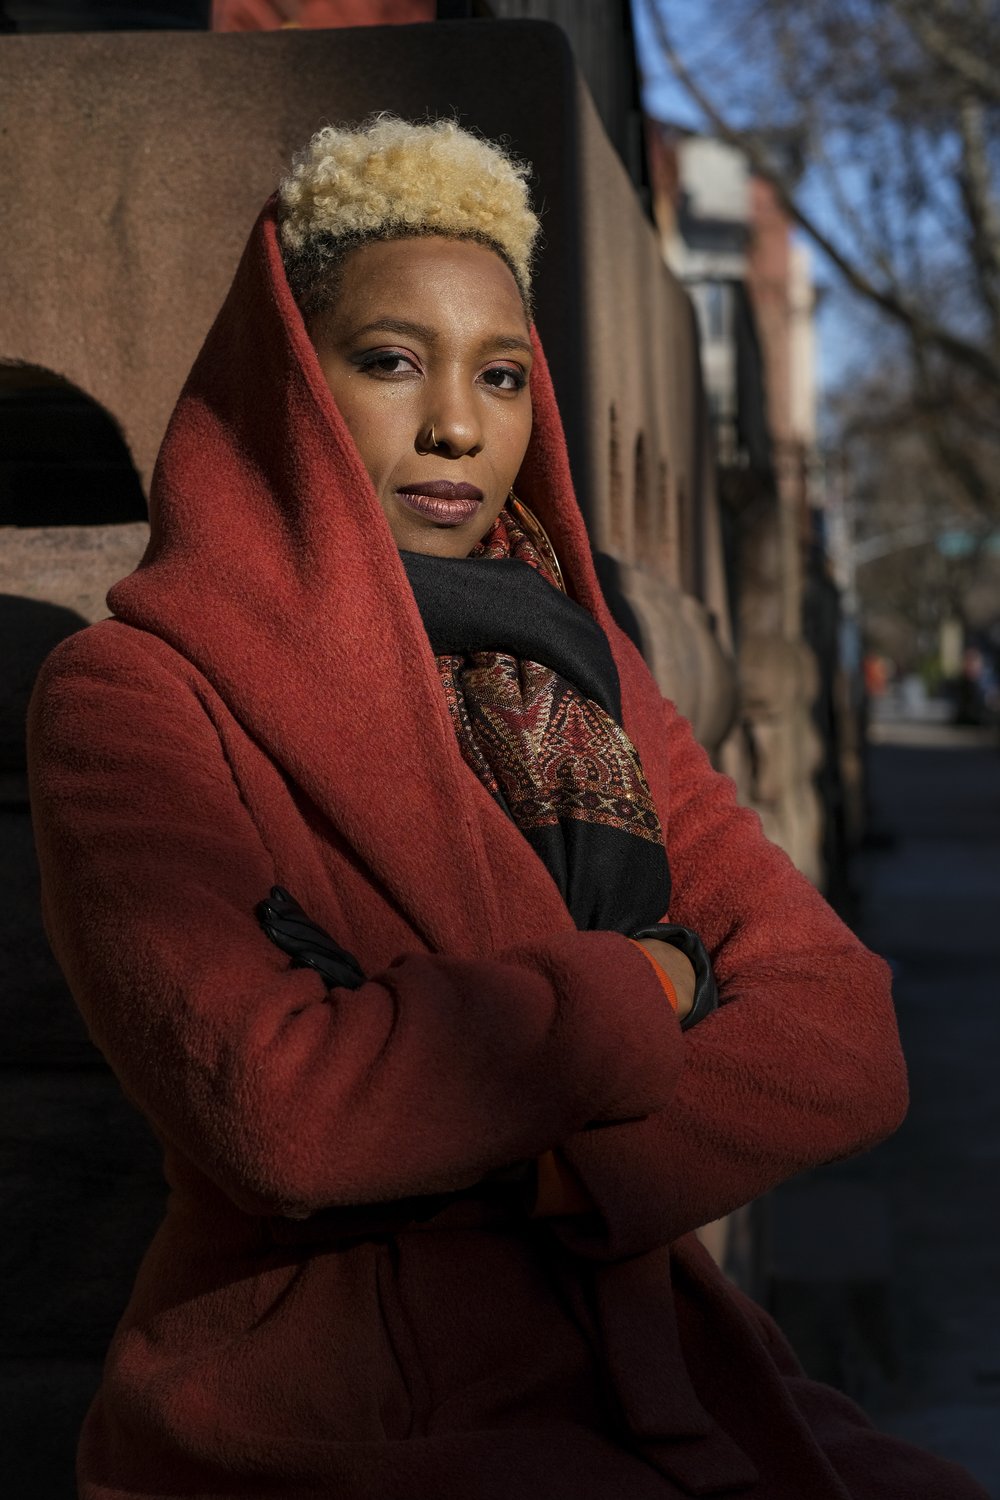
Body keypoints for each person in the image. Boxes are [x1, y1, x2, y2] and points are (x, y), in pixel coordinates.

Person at [28, 116, 987, 1500]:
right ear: (289, 379)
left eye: (503, 374)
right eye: (391, 361)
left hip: (651, 1364)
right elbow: (278, 1107)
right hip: (331, 1406)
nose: (459, 427)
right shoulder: (134, 697)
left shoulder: (587, 676)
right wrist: (652, 985)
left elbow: (843, 1039)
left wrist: (544, 1177)